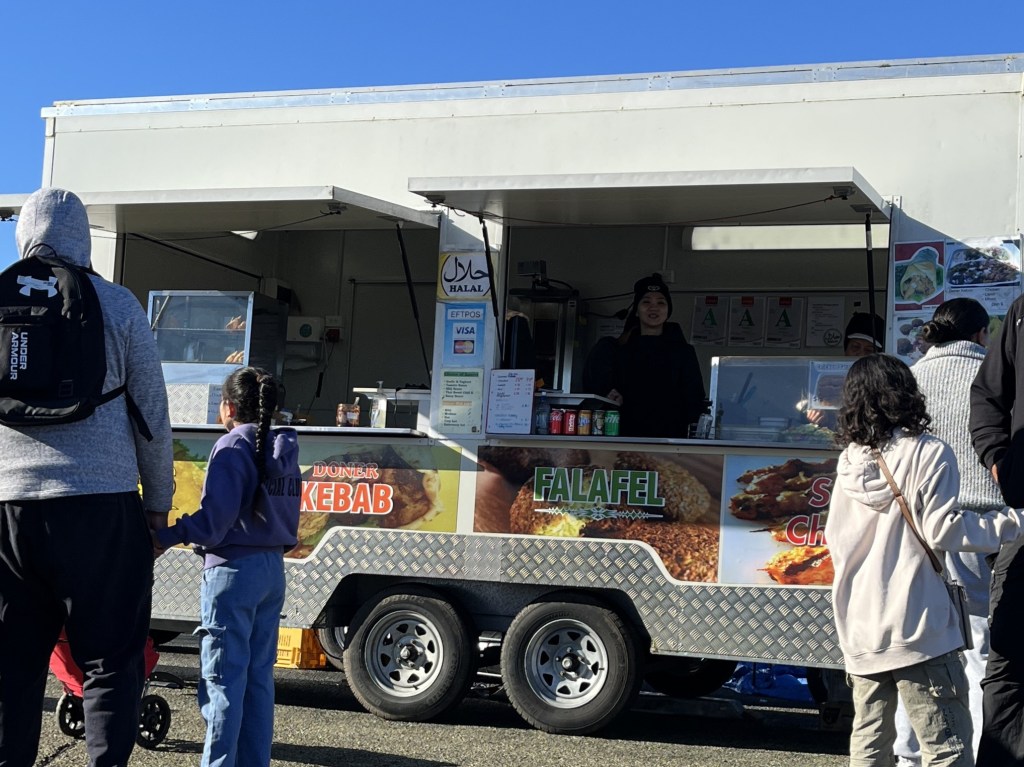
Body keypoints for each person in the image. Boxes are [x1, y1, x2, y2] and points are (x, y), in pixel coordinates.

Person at [0, 188, 174, 767]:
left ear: (24, 235)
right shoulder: (118, 305)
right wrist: (158, 504)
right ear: (84, 239)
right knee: (110, 662)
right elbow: (151, 416)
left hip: (9, 509)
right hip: (101, 506)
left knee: (12, 666)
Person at [826, 353, 1024, 767]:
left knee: (869, 745)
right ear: (906, 391)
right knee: (947, 747)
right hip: (918, 623)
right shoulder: (928, 452)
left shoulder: (849, 461)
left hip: (860, 625)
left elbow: (835, 540)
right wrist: (1012, 524)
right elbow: (943, 530)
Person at [154, 367, 301, 767]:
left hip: (232, 573)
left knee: (222, 682)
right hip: (272, 570)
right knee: (258, 681)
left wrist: (165, 536)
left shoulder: (232, 446)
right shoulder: (284, 448)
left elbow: (213, 523)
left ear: (228, 408)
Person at [892, 298, 995, 766]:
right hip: (983, 526)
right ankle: (978, 750)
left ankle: (908, 754)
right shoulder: (994, 375)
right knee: (982, 650)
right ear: (980, 335)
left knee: (918, 648)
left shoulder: (911, 378)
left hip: (918, 527)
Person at [970, 292, 1024, 767]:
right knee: (1006, 657)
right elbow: (988, 396)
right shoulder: (1023, 311)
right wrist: (999, 462)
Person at [582, 273, 705, 437]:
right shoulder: (616, 350)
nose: (654, 307)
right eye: (646, 301)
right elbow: (597, 388)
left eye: (661, 302)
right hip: (623, 438)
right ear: (637, 310)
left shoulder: (683, 352)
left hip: (671, 441)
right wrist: (608, 392)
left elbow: (695, 399)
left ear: (668, 310)